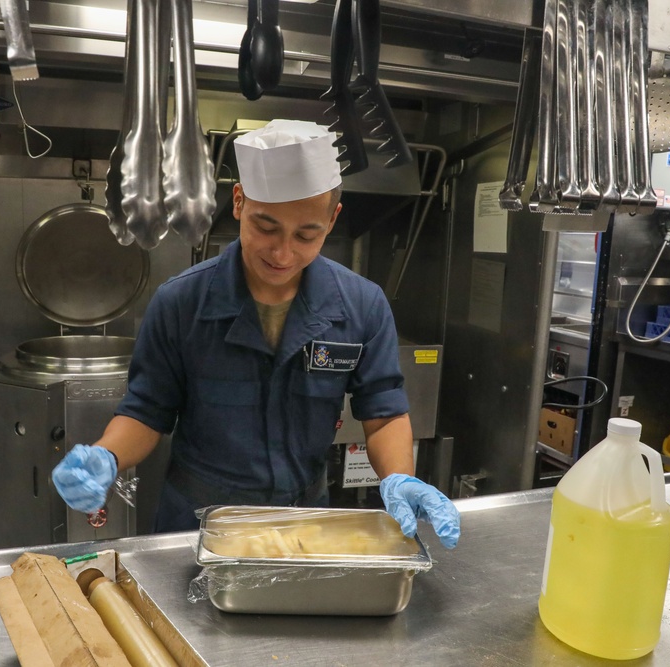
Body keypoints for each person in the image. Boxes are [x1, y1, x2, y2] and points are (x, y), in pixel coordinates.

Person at [51, 119, 460, 548]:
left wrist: (399, 478)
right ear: (240, 201)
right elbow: (146, 411)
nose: (283, 253)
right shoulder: (181, 302)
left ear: (332, 219)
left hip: (304, 522)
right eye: (266, 227)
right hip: (197, 523)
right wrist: (107, 456)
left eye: (307, 235)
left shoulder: (362, 305)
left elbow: (384, 415)